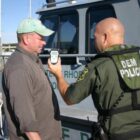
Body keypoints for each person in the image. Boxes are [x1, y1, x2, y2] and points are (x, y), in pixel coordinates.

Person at [48, 17, 140, 139]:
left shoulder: (97, 66)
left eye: (95, 37)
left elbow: (70, 98)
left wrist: (58, 75)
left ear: (105, 37)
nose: (93, 41)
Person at [2, 18, 62, 140]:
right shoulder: (19, 68)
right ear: (26, 39)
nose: (44, 42)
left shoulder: (32, 60)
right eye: (41, 38)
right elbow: (27, 121)